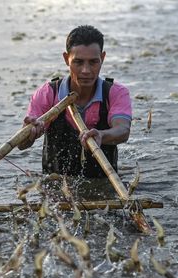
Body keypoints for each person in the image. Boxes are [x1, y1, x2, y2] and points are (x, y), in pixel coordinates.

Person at [18, 25, 132, 178]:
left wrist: (101, 135)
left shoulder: (115, 93)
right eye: (78, 62)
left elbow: (123, 130)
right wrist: (29, 132)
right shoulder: (48, 93)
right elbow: (21, 145)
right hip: (56, 188)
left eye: (93, 62)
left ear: (103, 58)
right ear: (66, 59)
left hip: (103, 184)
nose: (86, 70)